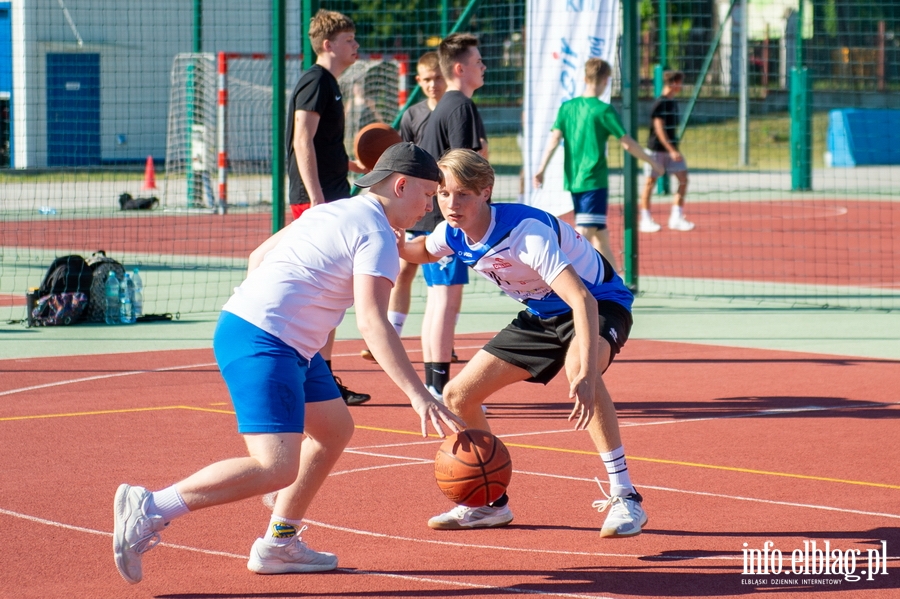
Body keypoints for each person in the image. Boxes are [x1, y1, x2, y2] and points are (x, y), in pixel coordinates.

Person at [113, 143, 464, 585]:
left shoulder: (333, 210)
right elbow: (373, 323)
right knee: (275, 466)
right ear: (400, 185)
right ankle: (149, 507)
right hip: (267, 339)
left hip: (272, 334)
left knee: (335, 430)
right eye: (428, 195)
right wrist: (418, 395)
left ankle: (280, 543)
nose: (430, 206)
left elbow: (257, 258)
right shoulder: (376, 236)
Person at [401, 149, 648, 538]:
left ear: (486, 192)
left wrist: (584, 373)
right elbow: (418, 251)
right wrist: (383, 229)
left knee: (581, 370)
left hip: (599, 303)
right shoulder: (451, 231)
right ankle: (488, 504)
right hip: (540, 314)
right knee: (458, 395)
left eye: (463, 193)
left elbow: (581, 298)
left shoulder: (526, 233)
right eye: (443, 194)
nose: (451, 203)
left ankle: (625, 496)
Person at [286, 9, 369, 405]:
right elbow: (303, 140)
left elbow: (321, 145)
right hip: (317, 200)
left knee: (334, 287)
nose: (356, 46)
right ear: (327, 45)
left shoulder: (329, 83)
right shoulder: (316, 81)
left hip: (332, 193)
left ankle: (322, 376)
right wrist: (318, 199)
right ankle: (310, 376)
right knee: (324, 289)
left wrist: (350, 165)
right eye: (349, 40)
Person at [534, 58, 663, 274]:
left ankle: (617, 285)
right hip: (594, 181)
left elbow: (554, 139)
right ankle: (556, 276)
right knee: (582, 234)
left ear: (585, 78)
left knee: (601, 235)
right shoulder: (604, 110)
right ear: (606, 80)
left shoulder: (567, 107)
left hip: (574, 180)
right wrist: (652, 161)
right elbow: (627, 143)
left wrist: (541, 168)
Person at [413, 33, 488, 398]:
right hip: (443, 217)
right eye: (477, 62)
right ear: (460, 68)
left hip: (435, 214)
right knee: (446, 299)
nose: (483, 67)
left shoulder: (451, 104)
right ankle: (441, 386)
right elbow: (461, 168)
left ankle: (434, 382)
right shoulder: (459, 106)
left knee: (439, 298)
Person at [360, 51, 447, 363]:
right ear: (418, 81)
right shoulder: (413, 115)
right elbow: (402, 156)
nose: (432, 84)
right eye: (426, 79)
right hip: (414, 204)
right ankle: (391, 331)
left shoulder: (454, 110)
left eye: (437, 78)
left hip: (441, 206)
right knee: (403, 269)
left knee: (441, 278)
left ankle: (441, 337)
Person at [639, 70, 694, 233]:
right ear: (674, 83)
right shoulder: (661, 102)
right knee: (650, 183)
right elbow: (659, 129)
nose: (682, 86)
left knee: (683, 179)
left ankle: (676, 217)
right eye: (680, 82)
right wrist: (671, 150)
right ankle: (645, 219)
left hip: (670, 150)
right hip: (656, 150)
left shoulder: (672, 102)